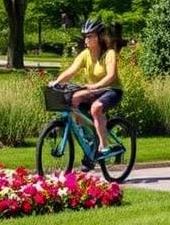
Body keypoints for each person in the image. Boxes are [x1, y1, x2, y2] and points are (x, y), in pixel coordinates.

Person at [48, 20, 123, 168]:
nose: (86, 39)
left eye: (90, 36)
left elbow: (111, 76)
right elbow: (71, 70)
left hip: (111, 90)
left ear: (99, 37)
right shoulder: (85, 54)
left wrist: (96, 85)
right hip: (94, 90)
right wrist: (57, 82)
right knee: (73, 99)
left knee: (96, 108)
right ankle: (90, 143)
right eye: (85, 36)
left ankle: (103, 146)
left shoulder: (109, 53)